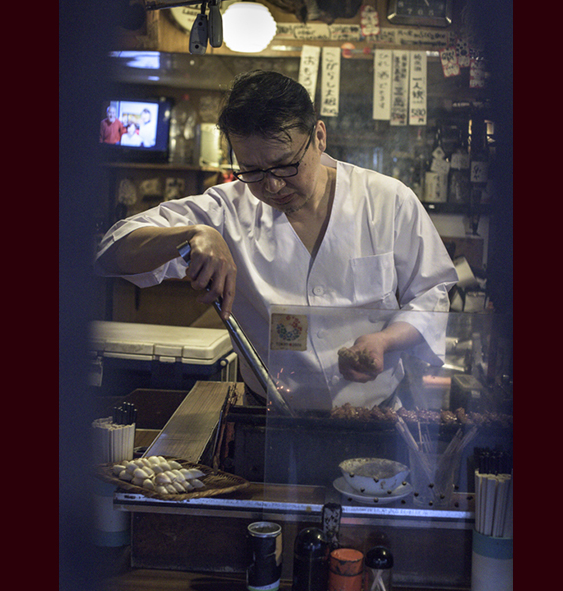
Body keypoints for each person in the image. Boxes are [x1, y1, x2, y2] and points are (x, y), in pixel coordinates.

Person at [95, 70, 457, 411]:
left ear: (318, 136)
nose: (272, 185)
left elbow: (431, 295)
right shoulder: (226, 210)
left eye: (285, 165)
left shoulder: (387, 201)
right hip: (269, 421)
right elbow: (111, 251)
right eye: (252, 170)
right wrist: (192, 234)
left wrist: (385, 340)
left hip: (376, 418)